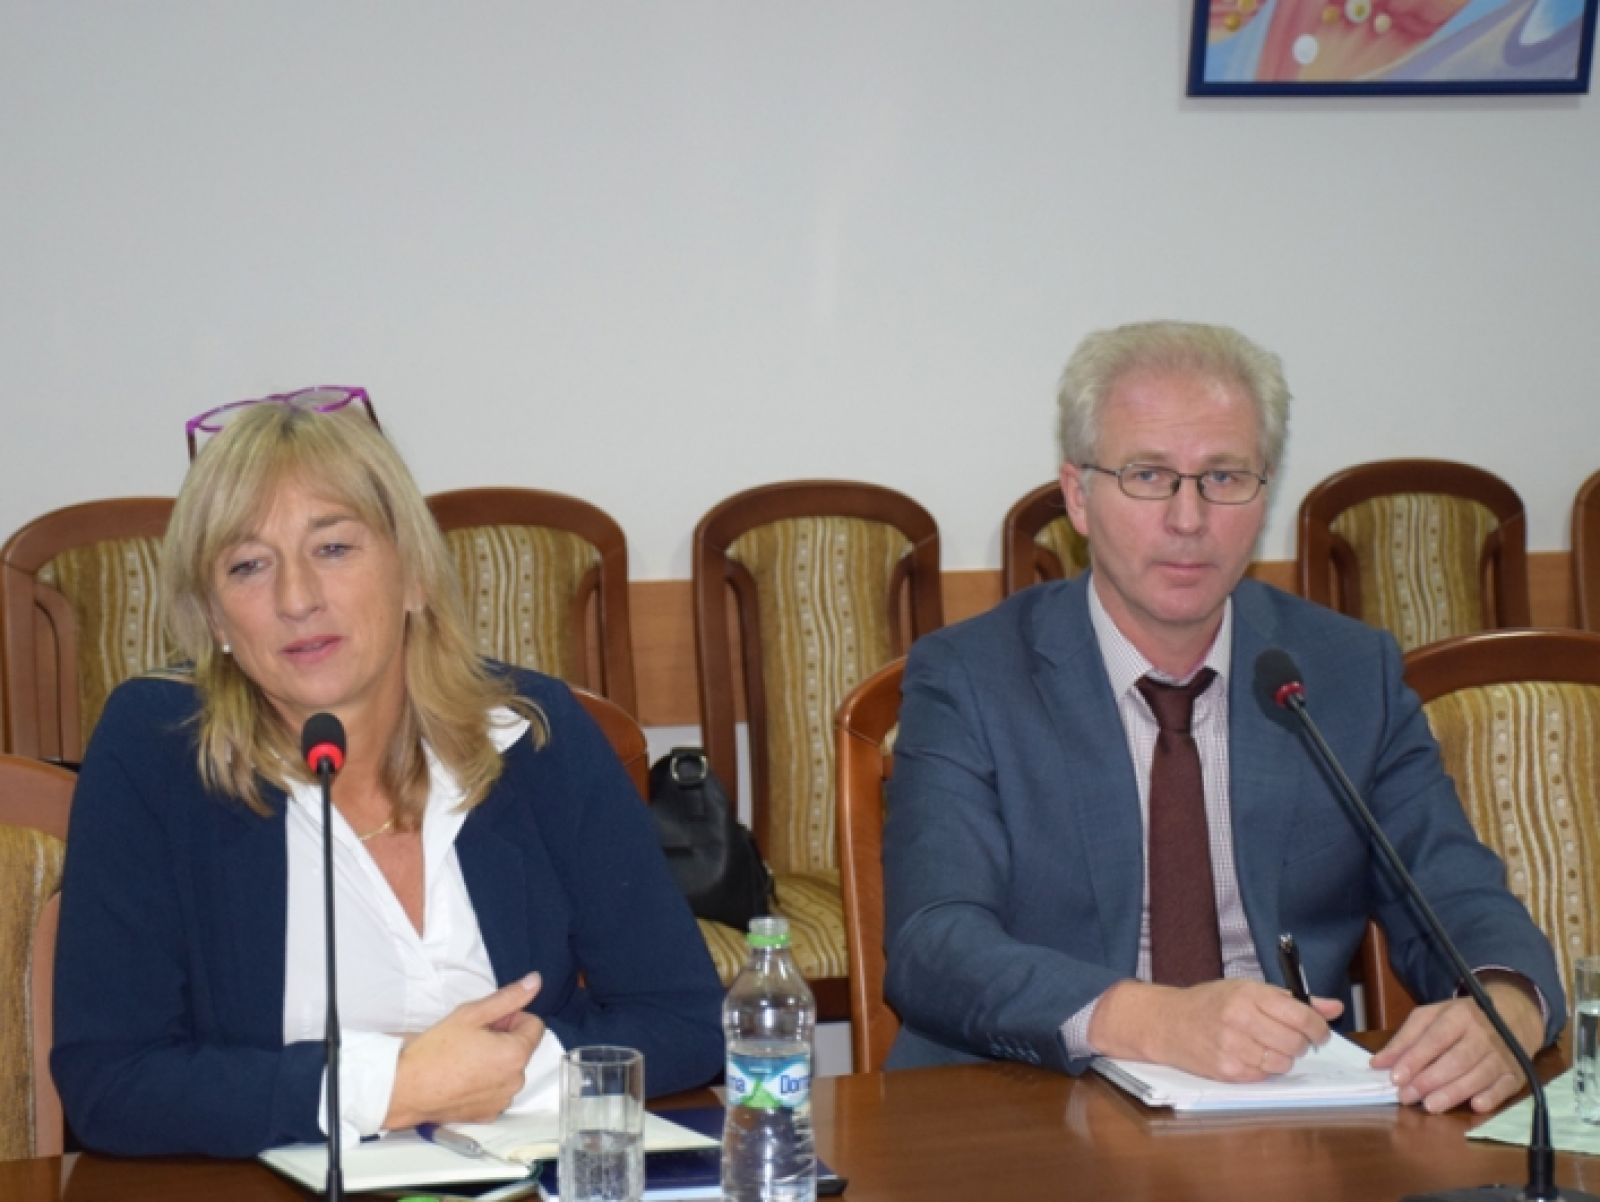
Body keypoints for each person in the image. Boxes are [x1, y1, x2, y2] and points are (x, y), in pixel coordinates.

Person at [882, 320, 1563, 1114]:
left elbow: (1455, 891)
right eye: (1147, 475)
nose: (1188, 518)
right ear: (1077, 496)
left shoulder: (1345, 674)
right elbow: (935, 944)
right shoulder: (972, 676)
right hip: (1029, 1107)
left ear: (1263, 494)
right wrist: (1154, 1020)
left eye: (1224, 477)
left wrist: (1509, 1004)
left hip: (1290, 1113)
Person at [52, 392, 724, 1157]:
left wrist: (508, 1070)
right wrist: (391, 1088)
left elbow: (684, 1020)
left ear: (414, 576)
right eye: (248, 565)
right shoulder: (158, 750)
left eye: (334, 548)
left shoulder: (532, 734)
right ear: (213, 618)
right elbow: (112, 1084)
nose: (297, 599)